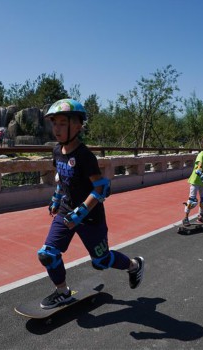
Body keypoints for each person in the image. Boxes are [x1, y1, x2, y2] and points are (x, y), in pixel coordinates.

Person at [37, 99, 145, 309]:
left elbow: (101, 188)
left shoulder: (85, 156)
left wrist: (79, 214)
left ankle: (133, 265)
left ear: (77, 126)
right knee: (47, 254)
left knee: (101, 261)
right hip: (66, 211)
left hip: (91, 216)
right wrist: (56, 199)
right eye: (54, 123)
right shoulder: (57, 151)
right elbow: (62, 178)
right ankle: (63, 292)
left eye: (62, 123)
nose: (56, 129)